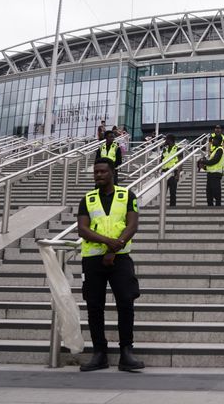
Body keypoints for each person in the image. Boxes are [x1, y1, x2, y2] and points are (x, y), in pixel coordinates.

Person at [77, 158, 145, 372]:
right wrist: (108, 244)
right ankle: (99, 353)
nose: (98, 175)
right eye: (96, 172)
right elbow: (82, 229)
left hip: (120, 259)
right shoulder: (87, 199)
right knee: (94, 305)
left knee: (126, 301)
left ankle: (126, 351)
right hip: (93, 259)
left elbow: (132, 225)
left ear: (112, 173)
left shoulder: (127, 196)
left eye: (103, 171)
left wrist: (115, 249)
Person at [197, 134, 224, 206]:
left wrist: (203, 161)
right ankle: (210, 206)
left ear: (218, 141)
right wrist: (204, 167)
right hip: (210, 174)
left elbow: (214, 161)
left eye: (214, 140)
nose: (212, 141)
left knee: (216, 192)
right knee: (209, 193)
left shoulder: (220, 150)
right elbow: (211, 164)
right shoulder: (215, 150)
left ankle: (218, 206)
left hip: (216, 174)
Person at [160, 134, 181, 207]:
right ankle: (162, 207)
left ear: (170, 140)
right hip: (164, 172)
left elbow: (180, 162)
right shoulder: (165, 149)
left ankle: (172, 207)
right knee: (163, 192)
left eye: (166, 139)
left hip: (172, 172)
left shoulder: (178, 148)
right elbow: (161, 160)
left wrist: (178, 174)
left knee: (173, 192)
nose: (165, 141)